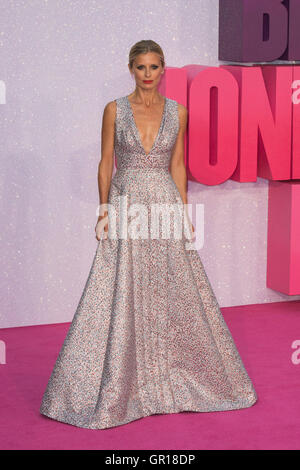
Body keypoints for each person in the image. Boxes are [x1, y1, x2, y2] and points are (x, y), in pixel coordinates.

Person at [40, 40, 258, 430]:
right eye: (140, 67)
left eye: (154, 67)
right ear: (130, 68)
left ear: (162, 70)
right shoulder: (114, 109)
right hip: (126, 204)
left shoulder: (178, 112)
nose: (147, 74)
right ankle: (119, 387)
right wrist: (103, 209)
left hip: (163, 205)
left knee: (172, 287)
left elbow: (176, 164)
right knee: (118, 287)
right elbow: (106, 163)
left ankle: (173, 381)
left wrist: (184, 212)